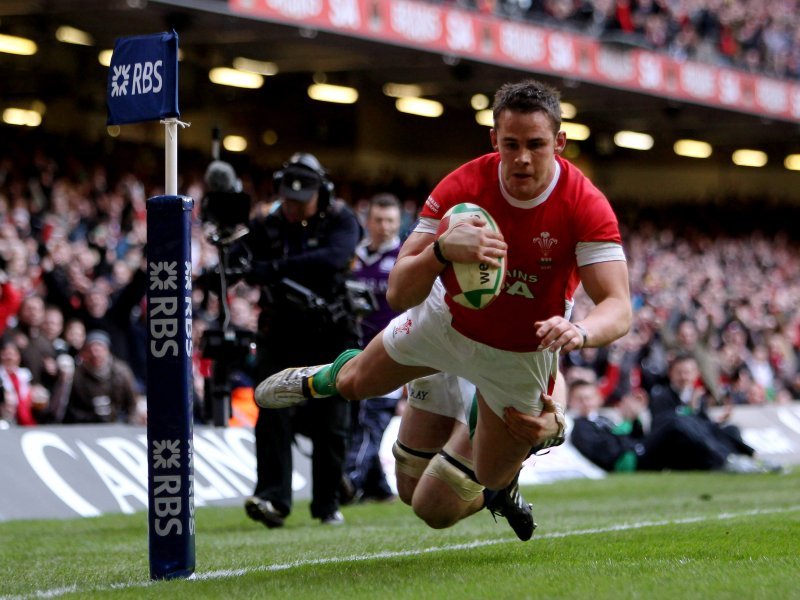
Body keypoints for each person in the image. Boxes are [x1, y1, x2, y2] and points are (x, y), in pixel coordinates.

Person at [255, 79, 632, 537]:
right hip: (445, 323)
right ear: (494, 140)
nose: (522, 158)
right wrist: (441, 250)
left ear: (560, 142)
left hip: (518, 355)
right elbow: (398, 292)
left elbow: (618, 305)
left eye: (536, 144)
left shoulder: (584, 204)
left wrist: (582, 331)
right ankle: (322, 377)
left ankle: (502, 478)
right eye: (511, 144)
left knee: (438, 506)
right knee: (364, 405)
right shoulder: (463, 185)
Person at [240, 152, 362, 527]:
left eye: (301, 201)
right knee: (270, 410)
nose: (292, 208)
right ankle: (272, 499)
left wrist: (276, 268)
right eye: (287, 200)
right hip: (281, 330)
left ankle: (327, 503)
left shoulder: (342, 219)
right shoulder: (268, 223)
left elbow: (334, 257)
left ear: (321, 193)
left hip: (331, 330)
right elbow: (247, 265)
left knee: (332, 419)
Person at [568, 379, 779, 473]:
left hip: (638, 452)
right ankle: (729, 461)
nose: (586, 402)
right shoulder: (580, 427)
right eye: (581, 399)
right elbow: (610, 452)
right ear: (572, 402)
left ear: (597, 398)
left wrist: (634, 420)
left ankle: (752, 457)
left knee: (723, 428)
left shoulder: (601, 419)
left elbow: (632, 435)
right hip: (631, 461)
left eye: (589, 397)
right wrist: (626, 423)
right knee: (674, 421)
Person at [342, 193, 404, 505]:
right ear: (368, 221)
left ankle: (349, 480)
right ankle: (378, 488)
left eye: (390, 221)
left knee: (371, 421)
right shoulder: (353, 257)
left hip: (391, 354)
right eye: (378, 220)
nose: (384, 226)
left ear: (399, 223)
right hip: (354, 353)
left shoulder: (406, 258)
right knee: (356, 419)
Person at [62, 330, 140, 424]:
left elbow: (132, 404)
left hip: (118, 422)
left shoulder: (122, 372)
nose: (95, 355)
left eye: (99, 350)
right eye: (90, 350)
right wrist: (92, 418)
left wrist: (127, 422)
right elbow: (73, 408)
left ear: (107, 350)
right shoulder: (78, 375)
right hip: (88, 424)